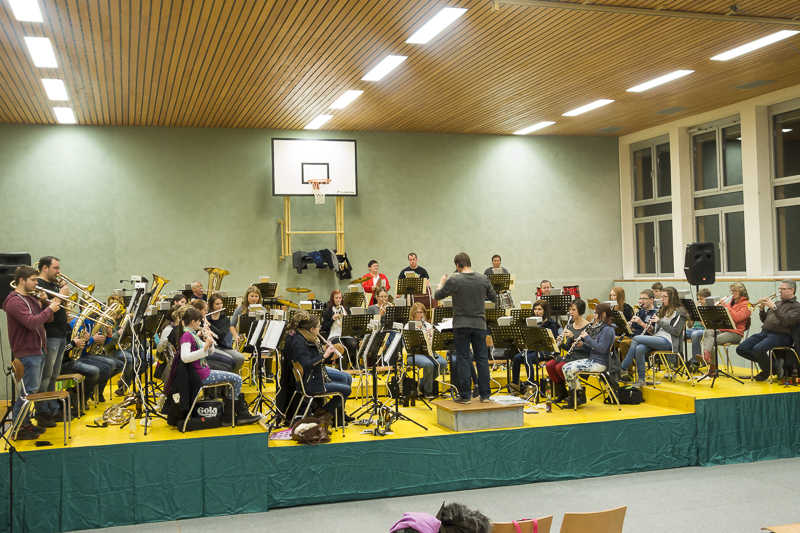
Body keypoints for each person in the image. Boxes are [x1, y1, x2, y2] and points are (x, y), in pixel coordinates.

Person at [3, 265, 62, 439]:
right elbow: (31, 323)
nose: (37, 283)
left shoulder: (31, 298)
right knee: (27, 392)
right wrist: (50, 308)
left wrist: (45, 303)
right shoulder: (14, 301)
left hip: (38, 349)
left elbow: (48, 319)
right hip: (26, 351)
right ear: (21, 281)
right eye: (33, 280)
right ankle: (18, 428)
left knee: (32, 392)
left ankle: (26, 424)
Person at [176, 306, 259, 425]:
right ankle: (229, 417)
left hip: (204, 372)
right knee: (237, 379)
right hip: (200, 375)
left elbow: (210, 352)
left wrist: (209, 343)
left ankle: (236, 414)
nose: (200, 323)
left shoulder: (192, 334)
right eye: (199, 321)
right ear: (193, 322)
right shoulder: (187, 336)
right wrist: (204, 348)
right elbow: (185, 357)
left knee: (235, 378)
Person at [434, 252, 497, 404]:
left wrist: (441, 283)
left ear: (457, 265)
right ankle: (485, 395)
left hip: (461, 324)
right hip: (479, 324)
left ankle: (465, 396)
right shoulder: (483, 278)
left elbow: (437, 296)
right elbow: (494, 298)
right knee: (482, 359)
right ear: (469, 263)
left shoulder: (454, 279)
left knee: (463, 359)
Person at [284, 311, 353, 425]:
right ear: (311, 329)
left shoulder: (308, 337)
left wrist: (328, 352)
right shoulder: (302, 343)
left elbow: (319, 359)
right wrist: (324, 355)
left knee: (347, 378)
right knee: (346, 388)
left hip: (313, 374)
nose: (320, 329)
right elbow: (307, 365)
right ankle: (324, 414)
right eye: (318, 327)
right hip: (310, 380)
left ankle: (337, 413)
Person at [621, 286, 689, 388]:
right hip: (658, 338)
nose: (662, 299)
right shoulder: (663, 310)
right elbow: (657, 331)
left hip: (668, 341)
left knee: (636, 339)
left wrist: (659, 321)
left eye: (665, 297)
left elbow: (676, 332)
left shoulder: (680, 312)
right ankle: (641, 379)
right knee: (639, 348)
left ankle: (624, 366)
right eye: (662, 296)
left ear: (672, 298)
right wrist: (649, 328)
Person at [736, 279, 800, 381]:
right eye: (780, 289)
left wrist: (774, 307)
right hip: (765, 333)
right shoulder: (777, 303)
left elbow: (786, 321)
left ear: (792, 290)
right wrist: (762, 309)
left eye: (783, 289)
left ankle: (766, 372)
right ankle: (774, 364)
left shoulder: (796, 306)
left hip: (781, 336)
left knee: (758, 349)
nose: (780, 291)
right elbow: (764, 320)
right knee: (741, 349)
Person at [35, 256, 72, 427]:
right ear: (45, 268)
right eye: (55, 268)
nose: (58, 271)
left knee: (54, 376)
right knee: (45, 376)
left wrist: (63, 295)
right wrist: (61, 295)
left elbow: (60, 307)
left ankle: (52, 408)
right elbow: (48, 309)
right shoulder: (38, 285)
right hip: (49, 334)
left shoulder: (53, 285)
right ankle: (42, 412)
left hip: (60, 334)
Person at [562, 303, 615, 408]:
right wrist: (582, 344)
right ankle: (577, 396)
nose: (594, 315)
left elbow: (602, 349)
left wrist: (587, 338)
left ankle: (576, 398)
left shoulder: (608, 329)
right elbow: (592, 348)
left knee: (568, 369)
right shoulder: (599, 327)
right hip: (592, 360)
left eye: (596, 313)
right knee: (564, 367)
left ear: (603, 314)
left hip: (600, 363)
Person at [689, 283, 749, 369]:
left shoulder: (746, 304)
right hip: (724, 330)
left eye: (735, 291)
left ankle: (712, 366)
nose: (732, 293)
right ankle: (707, 355)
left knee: (711, 341)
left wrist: (725, 306)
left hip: (735, 333)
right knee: (708, 332)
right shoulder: (731, 303)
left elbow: (738, 317)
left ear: (741, 291)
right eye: (732, 291)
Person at [546, 299, 590, 403]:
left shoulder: (589, 326)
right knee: (550, 365)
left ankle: (577, 393)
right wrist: (561, 344)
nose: (571, 312)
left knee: (560, 367)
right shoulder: (570, 326)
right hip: (571, 355)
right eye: (570, 310)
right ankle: (562, 393)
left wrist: (572, 336)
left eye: (573, 310)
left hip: (583, 356)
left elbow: (589, 347)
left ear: (581, 311)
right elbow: (568, 347)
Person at [509, 300, 559, 393]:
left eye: (539, 309)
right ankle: (515, 385)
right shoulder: (531, 322)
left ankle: (531, 387)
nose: (537, 312)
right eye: (535, 309)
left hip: (546, 350)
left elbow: (553, 342)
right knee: (516, 358)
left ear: (545, 311)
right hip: (533, 349)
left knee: (527, 359)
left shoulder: (551, 324)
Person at [404, 303, 447, 399]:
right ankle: (428, 390)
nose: (422, 314)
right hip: (414, 354)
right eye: (419, 312)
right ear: (413, 313)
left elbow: (433, 343)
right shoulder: (409, 326)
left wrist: (430, 340)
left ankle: (422, 382)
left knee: (443, 363)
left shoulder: (427, 325)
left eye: (423, 312)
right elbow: (408, 345)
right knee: (428, 364)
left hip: (429, 352)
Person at [190, 299, 236, 372]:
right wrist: (201, 336)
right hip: (199, 355)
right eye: (205, 310)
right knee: (228, 363)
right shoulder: (194, 323)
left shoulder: (205, 320)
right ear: (198, 311)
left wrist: (208, 336)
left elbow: (218, 338)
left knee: (231, 362)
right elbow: (195, 344)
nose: (207, 312)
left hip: (207, 350)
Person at [618, 289, 659, 366]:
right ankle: (614, 365)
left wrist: (641, 323)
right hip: (635, 336)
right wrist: (629, 327)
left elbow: (653, 333)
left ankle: (628, 369)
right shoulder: (641, 311)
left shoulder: (656, 312)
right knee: (613, 340)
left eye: (644, 299)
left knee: (624, 343)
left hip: (646, 338)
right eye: (640, 298)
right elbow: (635, 330)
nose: (641, 301)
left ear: (651, 300)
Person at [207, 293, 246, 373]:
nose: (220, 306)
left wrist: (210, 325)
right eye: (217, 304)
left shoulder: (225, 319)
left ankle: (229, 376)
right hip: (208, 347)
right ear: (211, 305)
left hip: (221, 346)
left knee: (240, 358)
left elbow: (221, 335)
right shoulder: (205, 317)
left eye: (221, 303)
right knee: (228, 359)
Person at [320, 290, 359, 368]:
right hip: (334, 334)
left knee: (353, 344)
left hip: (345, 334)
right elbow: (324, 327)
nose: (338, 300)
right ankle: (342, 368)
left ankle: (349, 364)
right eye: (336, 298)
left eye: (340, 298)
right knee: (341, 347)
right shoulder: (328, 311)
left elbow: (351, 325)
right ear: (332, 299)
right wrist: (332, 320)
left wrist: (347, 317)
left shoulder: (346, 310)